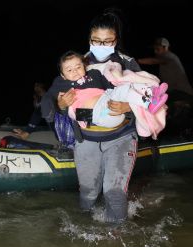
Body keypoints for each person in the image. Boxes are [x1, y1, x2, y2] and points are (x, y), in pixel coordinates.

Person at [47, 9, 142, 224]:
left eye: (108, 41)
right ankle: (83, 232)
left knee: (114, 192)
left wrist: (128, 106)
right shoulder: (78, 63)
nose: (101, 45)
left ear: (116, 40)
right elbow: (60, 104)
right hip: (86, 140)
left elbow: (149, 99)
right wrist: (61, 104)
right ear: (89, 38)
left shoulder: (128, 63)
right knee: (87, 194)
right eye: (96, 41)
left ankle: (117, 239)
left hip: (121, 138)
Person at [55, 52, 168, 137]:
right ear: (63, 75)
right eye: (69, 70)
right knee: (94, 111)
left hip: (108, 100)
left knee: (124, 89)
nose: (75, 71)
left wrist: (127, 104)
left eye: (78, 67)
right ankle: (147, 101)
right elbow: (66, 111)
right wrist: (61, 106)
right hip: (101, 114)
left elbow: (112, 87)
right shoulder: (63, 86)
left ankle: (151, 99)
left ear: (84, 66)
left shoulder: (94, 74)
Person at [137, 37, 193, 132]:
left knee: (165, 113)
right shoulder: (165, 64)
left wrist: (135, 61)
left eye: (158, 48)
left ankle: (188, 129)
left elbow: (153, 61)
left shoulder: (170, 56)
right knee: (158, 108)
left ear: (165, 47)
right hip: (175, 94)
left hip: (182, 95)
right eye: (154, 49)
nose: (155, 51)